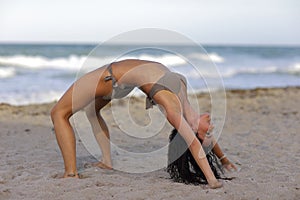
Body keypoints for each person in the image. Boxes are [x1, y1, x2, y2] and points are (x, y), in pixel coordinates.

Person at [50, 59, 236, 189]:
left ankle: (71, 173)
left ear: (195, 130)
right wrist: (224, 160)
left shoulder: (173, 110)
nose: (212, 128)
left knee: (58, 113)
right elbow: (204, 142)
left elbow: (195, 144)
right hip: (119, 83)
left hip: (108, 78)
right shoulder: (188, 110)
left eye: (209, 132)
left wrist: (212, 181)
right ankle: (106, 161)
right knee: (92, 111)